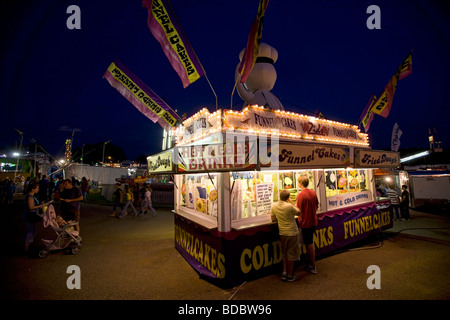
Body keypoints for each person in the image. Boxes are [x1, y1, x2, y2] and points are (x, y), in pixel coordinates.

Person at [271, 189, 300, 282]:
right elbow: (299, 212)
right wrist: (292, 203)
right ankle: (290, 274)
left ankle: (284, 272)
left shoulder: (274, 206)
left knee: (284, 253)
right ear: (288, 198)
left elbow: (273, 219)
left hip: (282, 233)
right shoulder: (289, 206)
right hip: (292, 232)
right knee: (291, 253)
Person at [296, 175, 319, 274]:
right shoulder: (313, 192)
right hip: (313, 221)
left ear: (300, 183)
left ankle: (313, 266)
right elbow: (317, 205)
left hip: (305, 223)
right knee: (308, 243)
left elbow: (298, 211)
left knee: (308, 244)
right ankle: (309, 263)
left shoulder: (301, 195)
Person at [22, 182, 50, 252]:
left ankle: (29, 245)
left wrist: (41, 204)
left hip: (31, 215)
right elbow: (31, 207)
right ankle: (27, 247)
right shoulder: (30, 197)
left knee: (33, 230)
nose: (38, 189)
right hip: (30, 216)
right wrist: (42, 205)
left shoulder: (32, 196)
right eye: (37, 188)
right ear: (32, 189)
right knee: (31, 230)